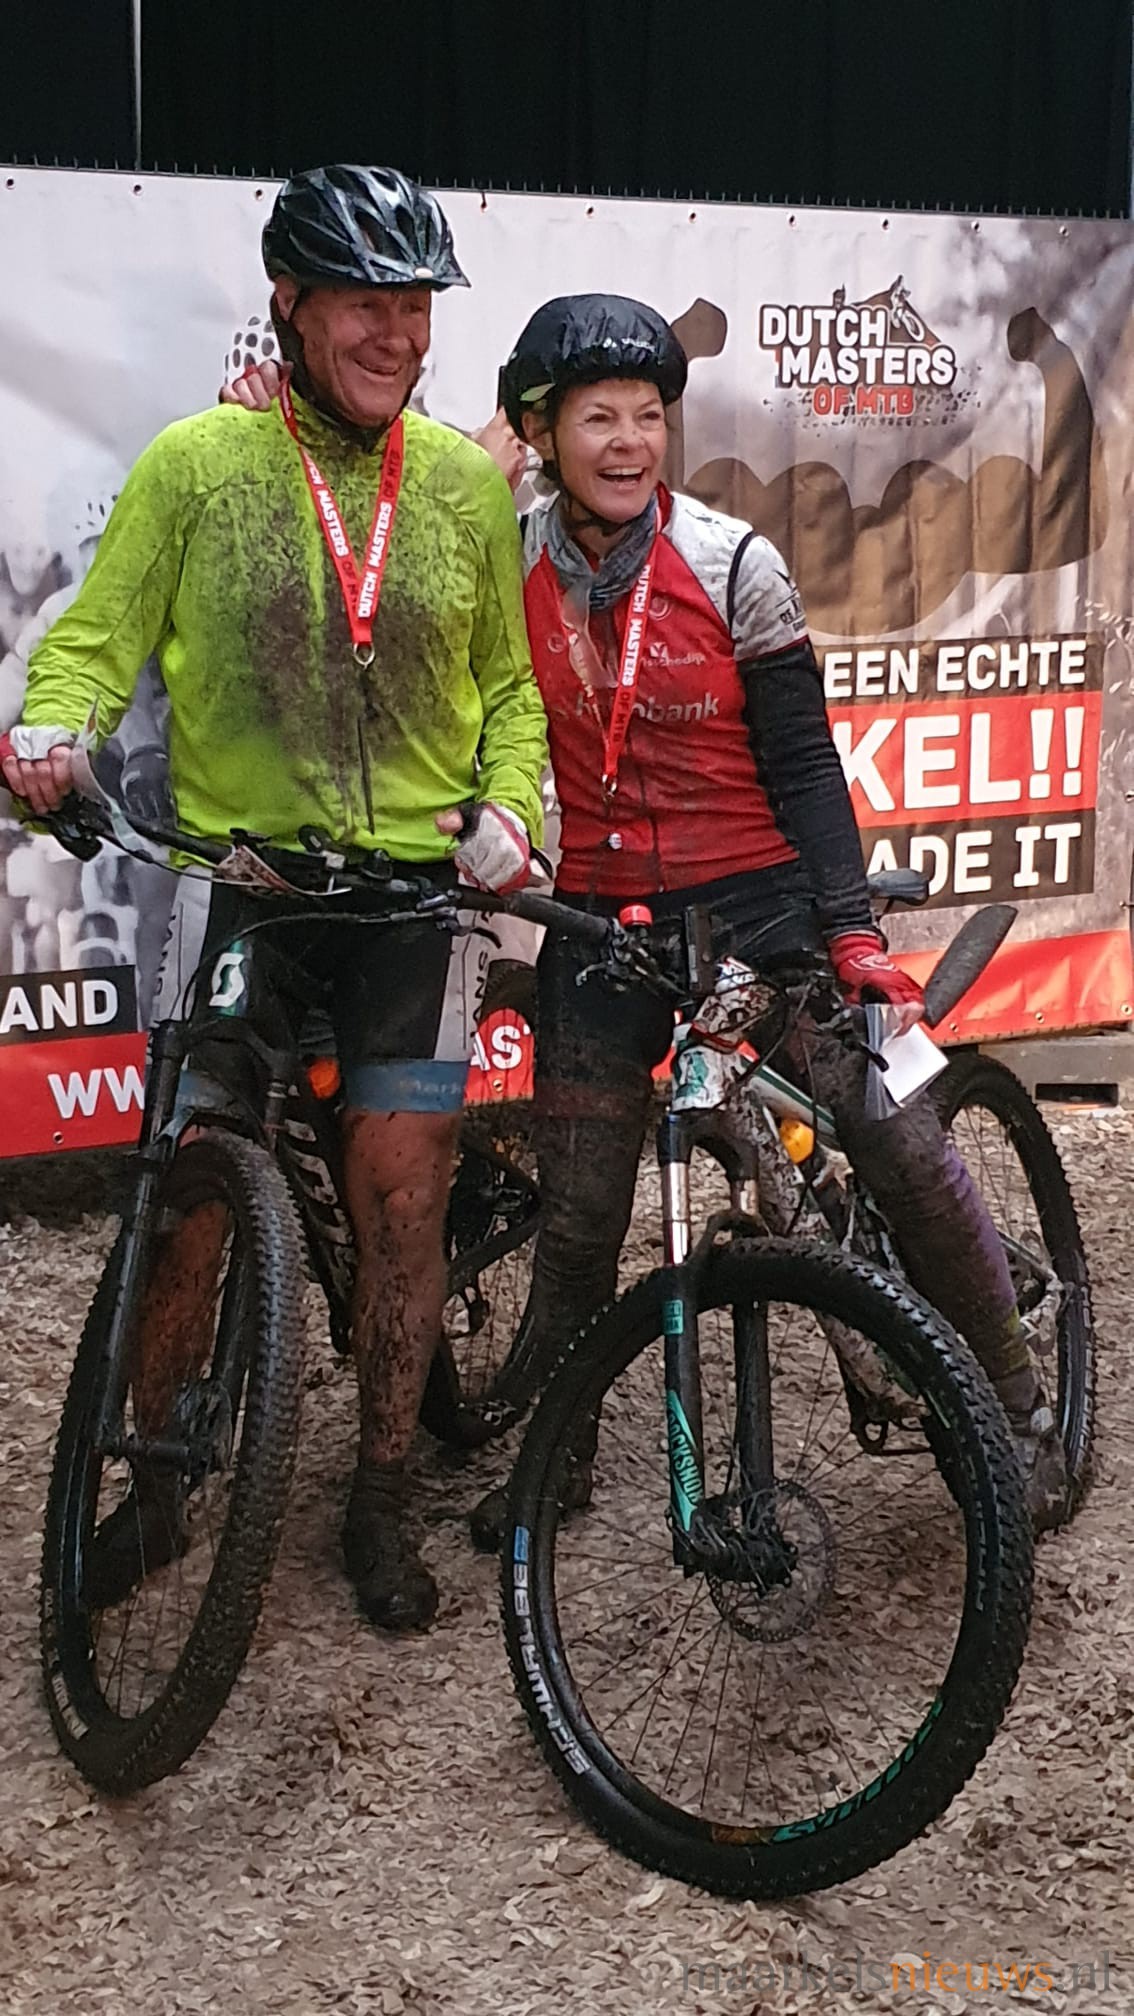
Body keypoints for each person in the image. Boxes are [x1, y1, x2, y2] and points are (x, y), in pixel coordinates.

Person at [0, 164, 548, 1631]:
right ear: (291, 305)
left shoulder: (459, 486)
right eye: (365, 304)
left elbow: (508, 691)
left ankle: (380, 1494)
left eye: (416, 306)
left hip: (411, 902)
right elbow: (93, 641)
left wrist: (514, 809)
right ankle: (157, 1482)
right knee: (192, 1181)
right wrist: (51, 732)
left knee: (403, 1192)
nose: (397, 335)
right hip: (245, 885)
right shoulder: (197, 465)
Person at [462, 292, 1066, 1542]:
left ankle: (1018, 1407)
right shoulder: (499, 561)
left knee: (892, 1131)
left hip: (756, 907)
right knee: (578, 1219)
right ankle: (556, 1463)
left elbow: (804, 768)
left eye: (649, 416)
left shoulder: (735, 563)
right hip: (605, 923)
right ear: (541, 431)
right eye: (598, 418)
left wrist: (850, 932)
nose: (630, 442)